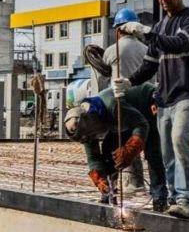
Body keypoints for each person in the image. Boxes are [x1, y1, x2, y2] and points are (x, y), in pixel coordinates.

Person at [113, 0, 189, 220]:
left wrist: (145, 31)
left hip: (188, 94)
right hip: (164, 97)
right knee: (166, 151)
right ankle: (176, 199)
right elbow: (149, 65)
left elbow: (179, 43)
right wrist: (129, 82)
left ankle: (188, 199)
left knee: (179, 139)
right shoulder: (161, 25)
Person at [63, 83, 168, 212]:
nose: (91, 139)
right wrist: (99, 178)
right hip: (125, 120)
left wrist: (130, 150)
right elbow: (93, 157)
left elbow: (142, 125)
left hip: (146, 105)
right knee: (109, 150)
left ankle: (159, 199)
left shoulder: (112, 106)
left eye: (91, 135)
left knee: (152, 152)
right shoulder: (85, 128)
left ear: (91, 120)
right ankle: (109, 192)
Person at [103, 8, 150, 195]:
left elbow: (101, 78)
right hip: (146, 100)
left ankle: (113, 186)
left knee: (114, 143)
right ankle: (154, 190)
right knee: (146, 144)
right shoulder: (147, 49)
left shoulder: (112, 50)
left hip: (122, 104)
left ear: (118, 30)